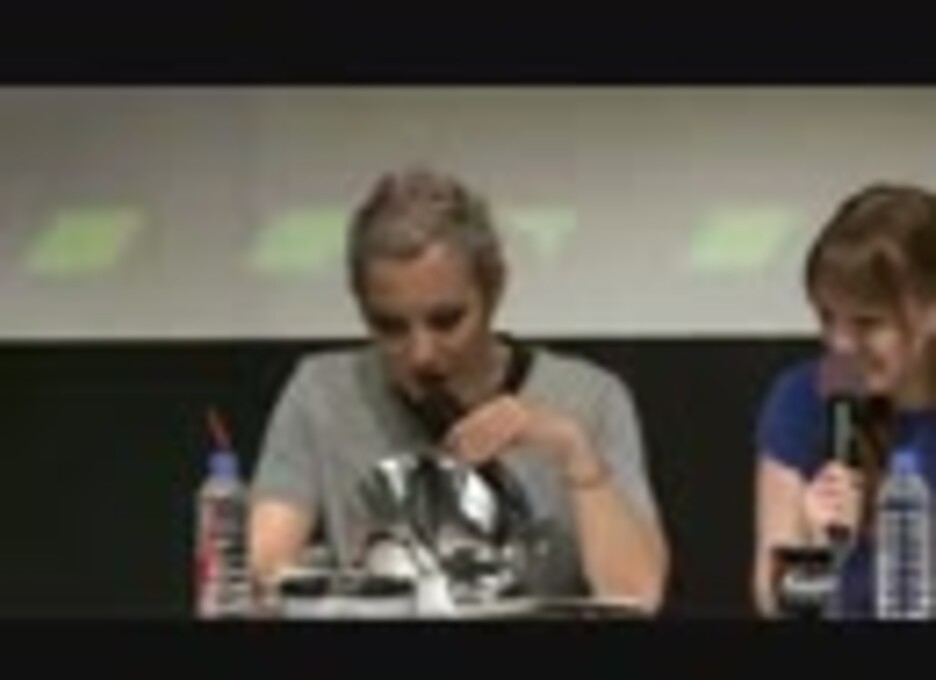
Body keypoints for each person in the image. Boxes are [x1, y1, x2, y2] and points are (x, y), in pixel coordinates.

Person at [247, 166, 669, 612]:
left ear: (494, 291)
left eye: (446, 321)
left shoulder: (588, 399)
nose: (421, 354)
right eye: (390, 327)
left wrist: (575, 453)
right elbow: (264, 572)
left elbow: (638, 595)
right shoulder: (323, 393)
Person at [752, 182, 936, 618]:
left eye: (869, 322)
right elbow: (776, 608)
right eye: (827, 318)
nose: (842, 344)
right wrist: (817, 551)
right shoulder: (805, 397)